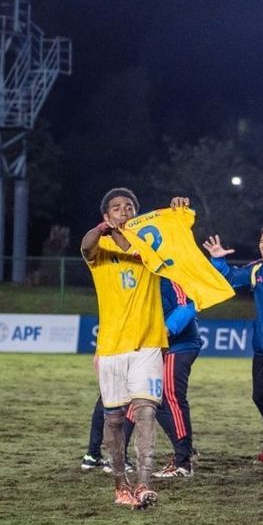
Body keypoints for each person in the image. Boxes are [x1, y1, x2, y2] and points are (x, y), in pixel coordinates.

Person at [80, 189, 187, 508]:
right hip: (112, 346)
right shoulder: (100, 247)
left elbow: (169, 240)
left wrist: (176, 213)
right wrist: (102, 231)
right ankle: (120, 486)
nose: (124, 210)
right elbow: (85, 246)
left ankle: (143, 483)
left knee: (145, 412)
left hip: (148, 343)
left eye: (129, 207)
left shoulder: (149, 245)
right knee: (113, 419)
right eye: (116, 207)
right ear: (106, 215)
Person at [203, 225, 263, 465]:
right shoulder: (256, 270)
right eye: (261, 241)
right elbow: (230, 278)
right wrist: (218, 260)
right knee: (259, 396)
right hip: (261, 348)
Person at [151, 278, 201, 478]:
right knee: (158, 401)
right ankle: (185, 450)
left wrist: (166, 330)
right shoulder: (148, 275)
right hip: (161, 345)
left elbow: (187, 304)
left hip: (178, 345)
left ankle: (183, 462)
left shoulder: (170, 273)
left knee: (172, 400)